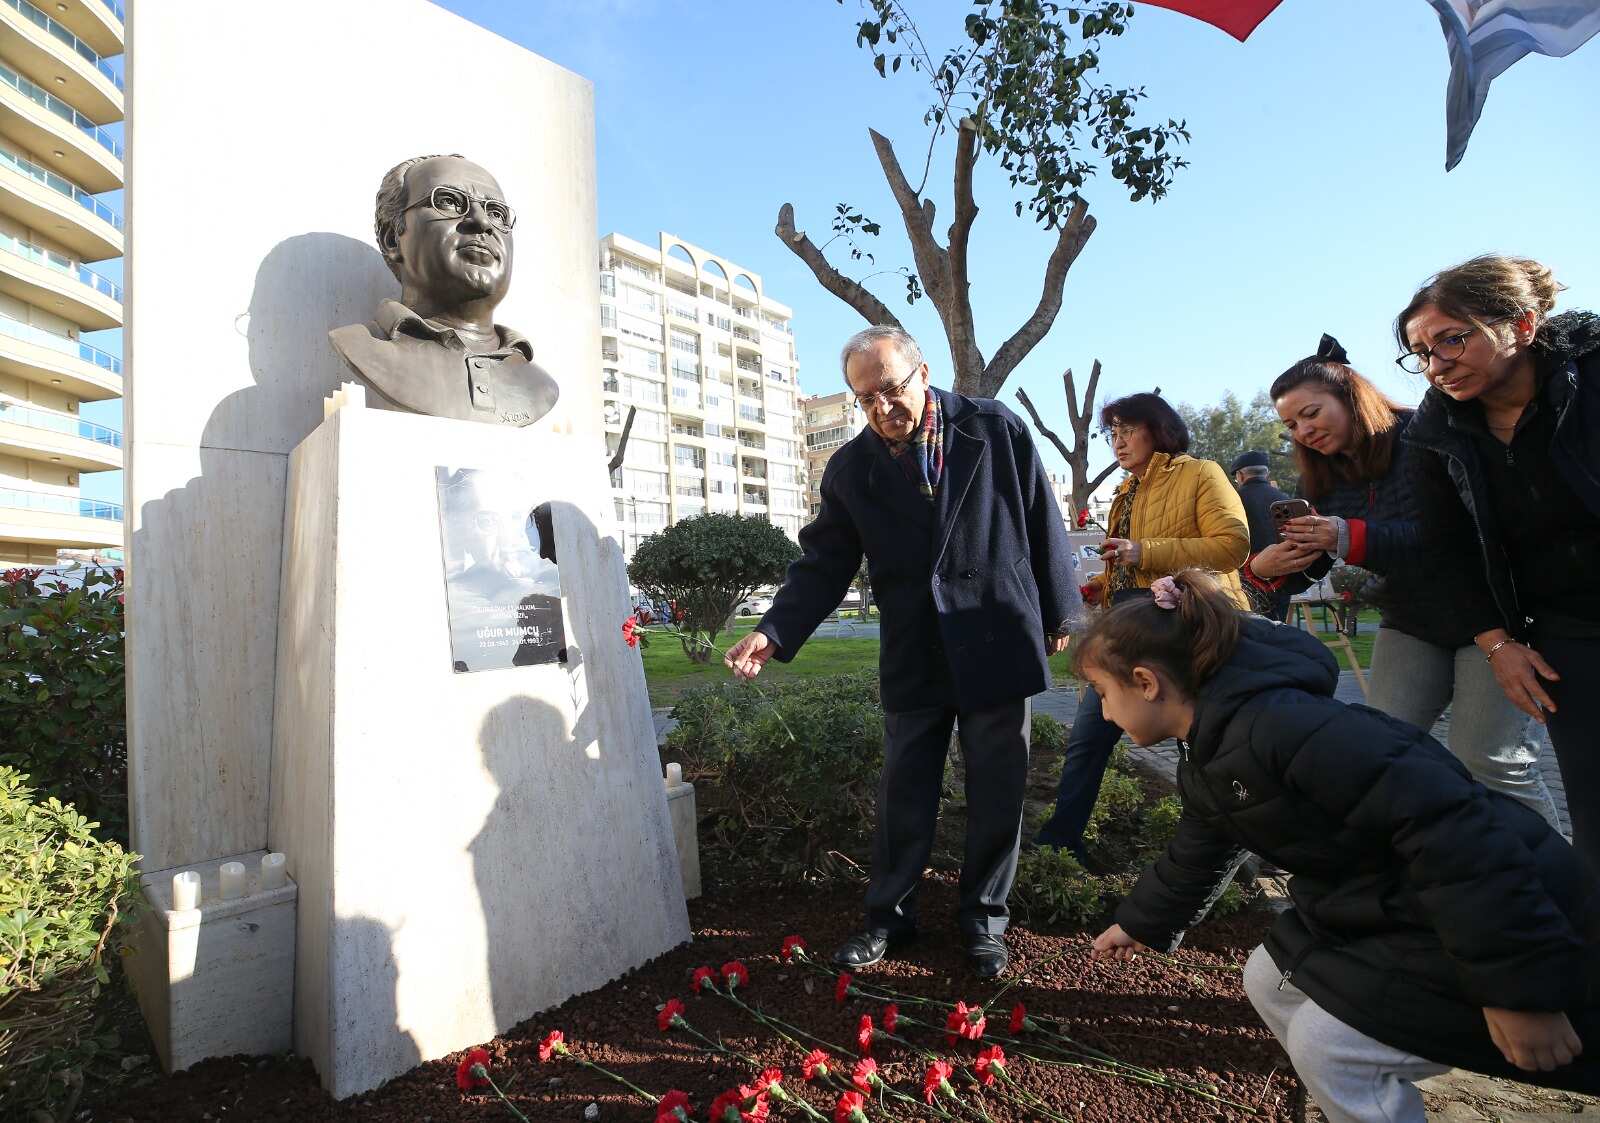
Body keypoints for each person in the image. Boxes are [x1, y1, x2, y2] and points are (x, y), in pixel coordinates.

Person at [1086, 571, 1600, 1122]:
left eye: (1101, 694)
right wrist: (1144, 920)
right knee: (1267, 978)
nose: (1103, 713)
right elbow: (1204, 841)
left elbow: (1459, 831)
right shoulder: (1208, 745)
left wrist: (1518, 993)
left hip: (1511, 920)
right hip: (1395, 904)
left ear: (1146, 682)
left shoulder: (1289, 728)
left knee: (1331, 1047)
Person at [723, 325, 1081, 979]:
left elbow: (1041, 515)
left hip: (996, 633)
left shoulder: (995, 427)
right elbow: (823, 563)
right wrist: (773, 630)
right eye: (864, 399)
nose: (880, 409)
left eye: (889, 389)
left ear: (921, 372)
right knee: (903, 790)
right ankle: (888, 918)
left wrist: (1062, 608)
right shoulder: (851, 468)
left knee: (998, 787)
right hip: (916, 647)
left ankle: (984, 921)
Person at [1244, 334, 1558, 823]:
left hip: (1492, 617)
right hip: (1411, 619)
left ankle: (1557, 888)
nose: (1303, 431)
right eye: (1290, 424)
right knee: (1377, 745)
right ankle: (1426, 862)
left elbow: (1447, 536)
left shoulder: (1424, 436)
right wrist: (1274, 568)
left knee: (1489, 760)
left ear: (1349, 395)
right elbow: (1328, 555)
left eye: (1311, 413)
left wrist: (1346, 535)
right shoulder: (1321, 479)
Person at [1398, 255, 1600, 873]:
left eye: (1451, 339)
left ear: (1523, 324)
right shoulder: (1437, 436)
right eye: (1422, 353)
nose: (1437, 365)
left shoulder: (1589, 380)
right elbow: (1447, 550)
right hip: (1565, 635)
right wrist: (1496, 646)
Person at [1031, 393, 1249, 859]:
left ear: (1159, 429)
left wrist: (1142, 551)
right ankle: (1060, 842)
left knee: (1200, 748)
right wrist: (1103, 587)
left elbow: (1233, 545)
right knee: (1088, 738)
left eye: (1128, 430)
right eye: (1112, 434)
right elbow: (1129, 562)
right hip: (1129, 629)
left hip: (1189, 630)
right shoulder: (1126, 492)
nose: (1118, 442)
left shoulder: (1200, 473)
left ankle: (1207, 852)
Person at [330, 153, 559, 427]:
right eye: (449, 201)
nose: (482, 222)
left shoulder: (540, 386)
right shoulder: (365, 346)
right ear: (393, 238)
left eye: (496, 213)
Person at [1229, 449, 1290, 621]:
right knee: (1278, 628)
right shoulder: (1283, 498)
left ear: (1240, 475)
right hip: (1282, 578)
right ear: (1266, 473)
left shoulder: (1234, 499)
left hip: (1246, 579)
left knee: (1251, 632)